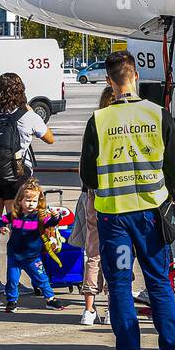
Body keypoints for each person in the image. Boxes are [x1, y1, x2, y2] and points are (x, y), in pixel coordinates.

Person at [79, 50, 175, 350]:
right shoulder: (158, 114)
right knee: (159, 282)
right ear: (135, 76)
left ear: (109, 82)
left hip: (115, 218)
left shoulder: (98, 120)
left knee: (121, 285)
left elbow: (87, 175)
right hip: (151, 215)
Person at [0, 72, 56, 295]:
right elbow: (50, 138)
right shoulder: (27, 116)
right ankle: (16, 281)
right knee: (20, 229)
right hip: (17, 180)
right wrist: (31, 112)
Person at [70, 86, 112, 325]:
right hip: (120, 197)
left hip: (93, 195)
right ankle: (113, 307)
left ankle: (88, 308)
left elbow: (85, 165)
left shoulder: (95, 124)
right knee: (118, 254)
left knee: (93, 254)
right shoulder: (122, 126)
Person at [0, 178, 66, 313]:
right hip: (14, 256)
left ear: (39, 202)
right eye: (28, 200)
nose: (31, 204)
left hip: (32, 257)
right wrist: (2, 228)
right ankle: (11, 301)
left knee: (42, 278)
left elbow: (52, 222)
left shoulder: (40, 217)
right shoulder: (14, 215)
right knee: (12, 280)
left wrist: (57, 216)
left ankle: (50, 299)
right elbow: (0, 220)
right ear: (20, 201)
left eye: (34, 201)